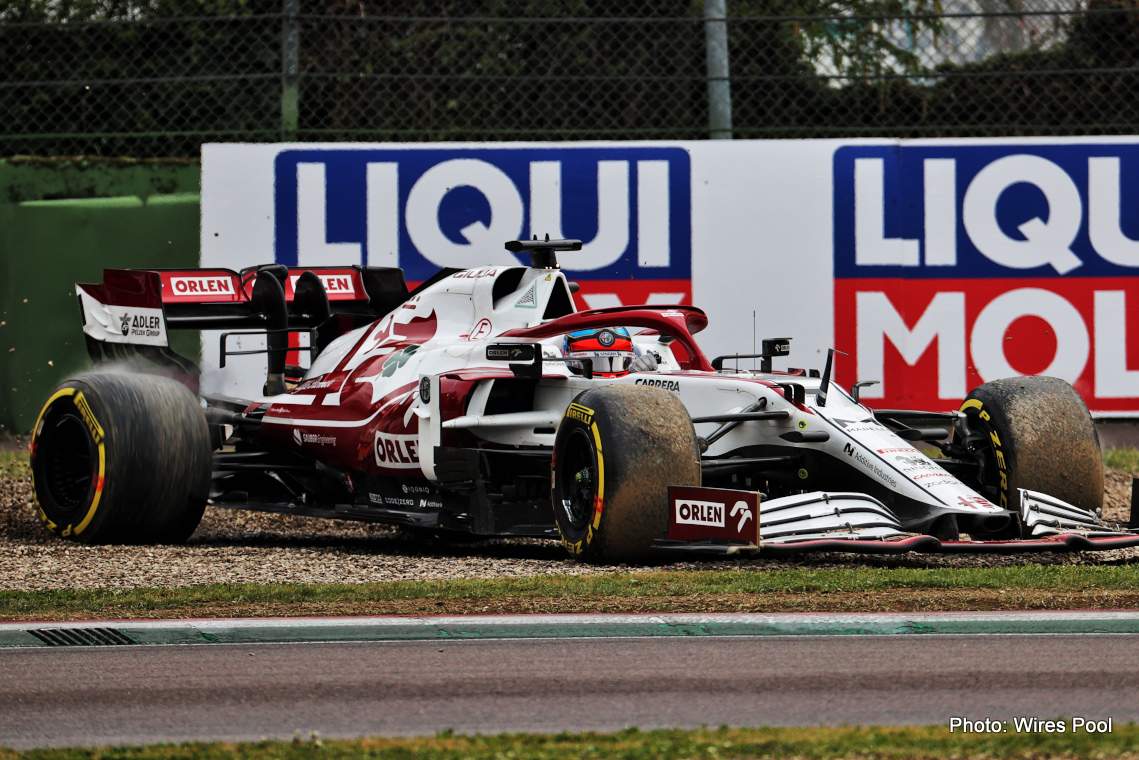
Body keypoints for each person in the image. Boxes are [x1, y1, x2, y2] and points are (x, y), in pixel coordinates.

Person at [563, 327, 659, 377]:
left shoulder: (636, 368)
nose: (611, 377)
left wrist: (643, 375)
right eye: (597, 363)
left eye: (619, 362)